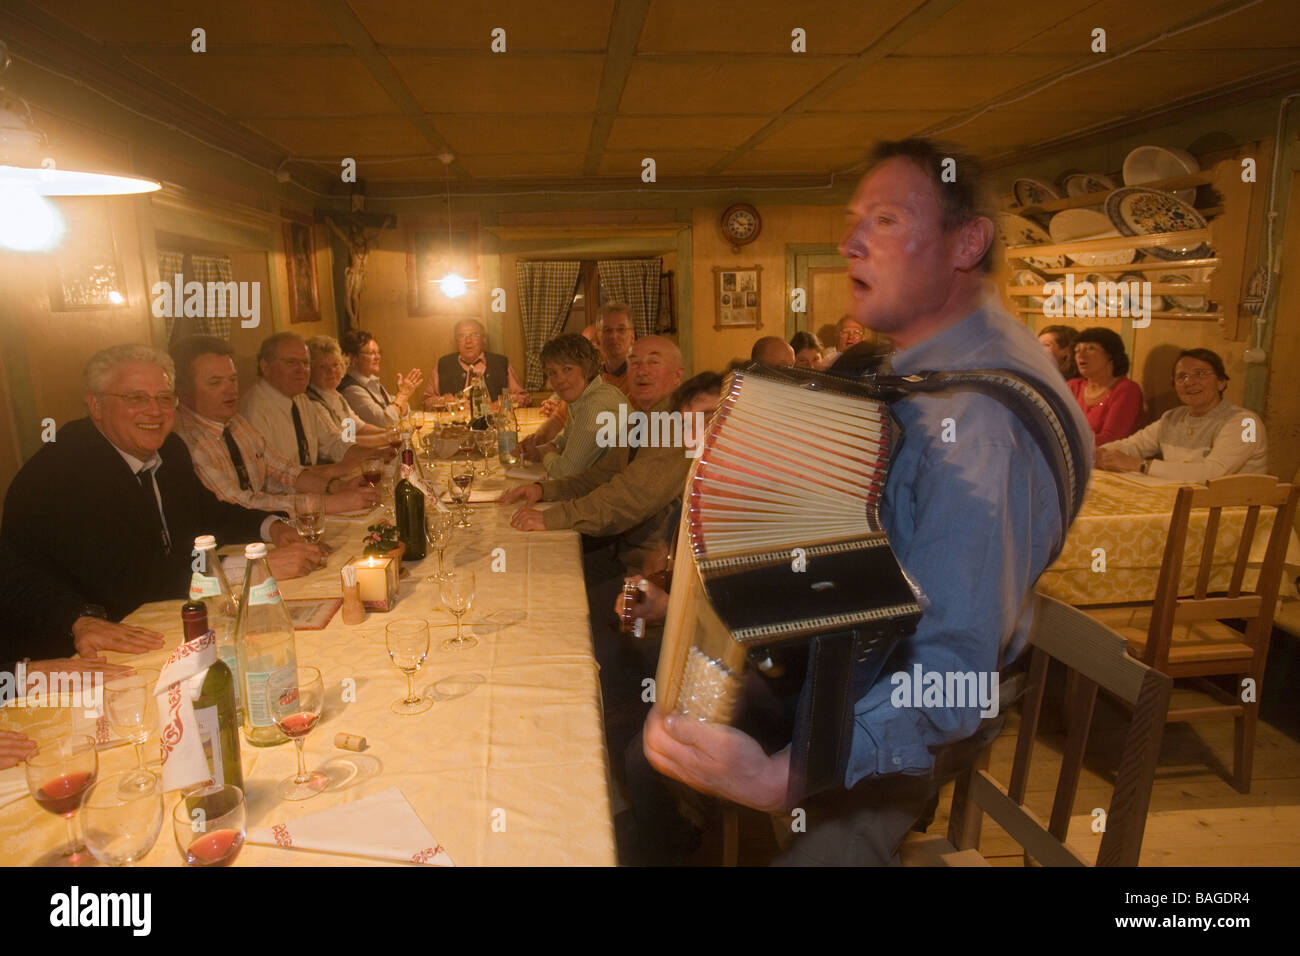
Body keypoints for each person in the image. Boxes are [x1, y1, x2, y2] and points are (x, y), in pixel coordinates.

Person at [638, 137, 1090, 866]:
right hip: (853, 667)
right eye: (854, 219)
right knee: (658, 736)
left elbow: (952, 678)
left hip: (916, 715)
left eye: (883, 220)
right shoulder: (932, 371)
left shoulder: (981, 426)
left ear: (966, 242)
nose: (848, 242)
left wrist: (782, 777)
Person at [1, 345, 323, 626]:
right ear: (95, 406)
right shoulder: (66, 470)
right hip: (77, 644)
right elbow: (134, 579)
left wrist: (273, 527)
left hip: (166, 613)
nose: (154, 411)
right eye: (135, 398)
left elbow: (210, 515)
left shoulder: (170, 450)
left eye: (164, 398)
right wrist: (254, 568)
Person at [499, 336, 689, 575]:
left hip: (651, 572)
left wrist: (552, 518)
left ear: (677, 375)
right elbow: (602, 475)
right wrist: (544, 490)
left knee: (531, 574)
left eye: (653, 363)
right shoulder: (643, 419)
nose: (642, 371)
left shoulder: (677, 425)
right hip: (619, 548)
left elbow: (628, 499)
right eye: (635, 363)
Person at [170, 335, 379, 515]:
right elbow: (245, 500)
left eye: (233, 380)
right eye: (323, 366)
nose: (331, 372)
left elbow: (348, 433)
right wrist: (336, 485)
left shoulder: (332, 398)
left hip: (285, 508)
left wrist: (380, 445)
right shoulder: (347, 394)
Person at [1096, 348, 1269, 481]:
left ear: (1221, 382)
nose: (1190, 382)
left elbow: (1214, 473)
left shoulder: (1247, 422)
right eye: (1182, 377)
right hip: (1187, 506)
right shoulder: (1172, 418)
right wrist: (1096, 454)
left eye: (1201, 374)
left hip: (1239, 514)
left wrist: (1140, 465)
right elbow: (1133, 445)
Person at [240, 332, 376, 468]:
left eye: (305, 363)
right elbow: (271, 476)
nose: (301, 369)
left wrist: (377, 453)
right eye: (291, 362)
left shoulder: (301, 400)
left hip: (313, 485)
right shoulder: (255, 409)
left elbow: (333, 443)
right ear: (265, 367)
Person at [520, 334, 625, 479]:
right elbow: (568, 438)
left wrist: (546, 454)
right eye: (552, 373)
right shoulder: (583, 397)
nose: (559, 379)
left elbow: (566, 472)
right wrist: (539, 451)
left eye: (567, 369)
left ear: (587, 369)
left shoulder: (594, 404)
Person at [304, 336, 390, 448]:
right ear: (310, 370)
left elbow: (358, 428)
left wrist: (390, 432)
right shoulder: (313, 403)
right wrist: (386, 437)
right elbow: (340, 442)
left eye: (335, 365)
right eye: (323, 367)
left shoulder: (335, 396)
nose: (332, 371)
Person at [424, 318, 529, 407]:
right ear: (456, 342)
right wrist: (443, 400)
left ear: (483, 340)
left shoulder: (500, 363)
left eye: (474, 335)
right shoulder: (444, 364)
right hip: (455, 427)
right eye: (461, 336)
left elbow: (523, 397)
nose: (468, 341)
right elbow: (426, 401)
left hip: (493, 425)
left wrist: (503, 403)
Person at [1068, 327, 1144, 446]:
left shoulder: (1127, 390)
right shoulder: (1073, 386)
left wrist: (1065, 442)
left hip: (1108, 461)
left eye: (1090, 348)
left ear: (1110, 355)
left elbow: (1111, 439)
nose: (1080, 355)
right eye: (1077, 350)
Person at [337, 329, 422, 427]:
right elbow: (386, 421)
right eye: (371, 353)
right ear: (352, 358)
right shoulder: (351, 390)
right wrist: (403, 395)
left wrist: (400, 401)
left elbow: (401, 411)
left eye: (378, 352)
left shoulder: (371, 380)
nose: (378, 357)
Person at [595, 304, 637, 394]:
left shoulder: (640, 375)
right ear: (598, 337)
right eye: (607, 330)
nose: (613, 336)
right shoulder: (591, 378)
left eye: (621, 329)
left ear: (632, 337)